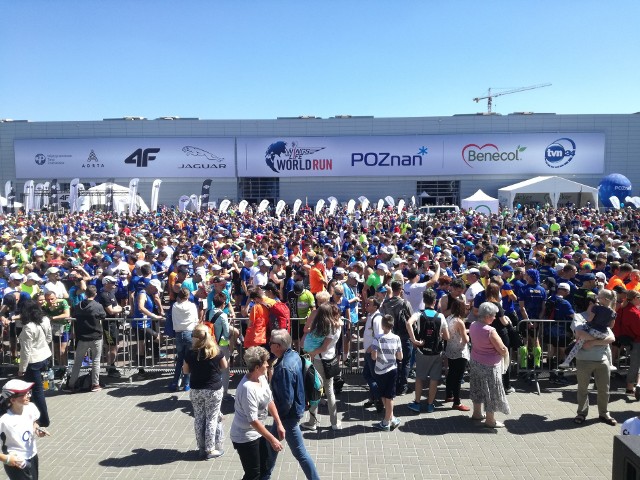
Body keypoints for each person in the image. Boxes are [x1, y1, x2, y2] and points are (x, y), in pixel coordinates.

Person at [266, 329, 320, 480]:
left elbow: (286, 399)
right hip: (294, 410)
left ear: (278, 346)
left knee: (300, 453)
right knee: (270, 444)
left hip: (287, 416)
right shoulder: (294, 355)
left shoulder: (283, 367)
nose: (269, 345)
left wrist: (278, 420)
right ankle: (264, 475)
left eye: (271, 343)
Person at [230, 346, 284, 480]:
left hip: (258, 432)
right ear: (257, 367)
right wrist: (272, 439)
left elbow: (269, 400)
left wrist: (278, 423)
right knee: (253, 474)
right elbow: (253, 420)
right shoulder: (247, 388)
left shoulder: (262, 377)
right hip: (245, 436)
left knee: (264, 468)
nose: (267, 364)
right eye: (265, 362)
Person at [183, 324, 228, 460]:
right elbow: (224, 366)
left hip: (196, 388)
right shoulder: (216, 351)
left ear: (196, 338)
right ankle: (210, 449)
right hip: (213, 389)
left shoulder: (190, 353)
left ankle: (201, 447)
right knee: (212, 418)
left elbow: (185, 371)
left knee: (199, 417)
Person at [406, 288, 449, 413]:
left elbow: (409, 323)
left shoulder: (418, 314)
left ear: (424, 301)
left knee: (419, 378)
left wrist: (414, 340)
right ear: (435, 301)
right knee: (434, 379)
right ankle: (430, 404)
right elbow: (447, 337)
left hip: (422, 351)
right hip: (436, 352)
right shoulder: (440, 316)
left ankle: (417, 403)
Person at [571, 309, 617, 426]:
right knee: (583, 389)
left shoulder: (603, 324)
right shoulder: (579, 318)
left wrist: (592, 342)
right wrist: (601, 338)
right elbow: (580, 334)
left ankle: (604, 413)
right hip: (584, 361)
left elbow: (611, 339)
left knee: (604, 389)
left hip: (603, 361)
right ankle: (581, 413)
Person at [300, 303, 342, 431]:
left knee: (316, 390)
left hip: (320, 360)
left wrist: (311, 353)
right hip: (330, 359)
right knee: (329, 391)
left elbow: (322, 347)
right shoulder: (337, 325)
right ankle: (334, 422)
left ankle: (312, 422)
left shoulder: (325, 327)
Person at [468, 302, 510, 429]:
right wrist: (505, 352)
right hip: (490, 365)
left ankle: (477, 413)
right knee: (491, 392)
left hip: (476, 361)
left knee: (477, 387)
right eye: (493, 315)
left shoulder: (473, 325)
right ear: (487, 316)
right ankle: (490, 420)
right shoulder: (490, 331)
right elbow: (502, 349)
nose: (495, 318)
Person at [0, 379, 49, 480]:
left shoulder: (30, 408)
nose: (29, 395)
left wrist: (37, 429)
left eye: (28, 392)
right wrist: (7, 459)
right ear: (12, 400)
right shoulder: (4, 419)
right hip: (15, 460)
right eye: (24, 394)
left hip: (32, 454)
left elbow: (33, 423)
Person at [560, 289, 616, 369]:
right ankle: (610, 364)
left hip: (593, 332)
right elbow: (611, 326)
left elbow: (589, 320)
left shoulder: (596, 308)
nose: (598, 299)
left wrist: (592, 339)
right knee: (607, 346)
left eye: (599, 298)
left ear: (604, 299)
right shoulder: (613, 312)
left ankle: (567, 362)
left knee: (577, 345)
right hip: (603, 333)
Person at [17, 300, 52, 428]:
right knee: (37, 391)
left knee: (36, 392)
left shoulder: (28, 327)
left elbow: (26, 351)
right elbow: (49, 337)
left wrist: (22, 369)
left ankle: (43, 419)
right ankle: (32, 415)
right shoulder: (45, 320)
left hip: (33, 361)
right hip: (44, 356)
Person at [66, 285, 105, 393]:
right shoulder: (98, 306)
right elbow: (103, 316)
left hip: (82, 337)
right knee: (96, 361)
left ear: (85, 294)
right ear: (95, 294)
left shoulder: (78, 305)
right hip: (95, 336)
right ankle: (95, 384)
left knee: (77, 362)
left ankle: (71, 385)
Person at [371, 314, 403, 431]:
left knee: (386, 396)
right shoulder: (397, 338)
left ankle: (386, 422)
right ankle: (392, 417)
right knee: (388, 396)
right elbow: (400, 357)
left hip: (380, 370)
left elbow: (374, 357)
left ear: (382, 325)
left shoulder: (377, 338)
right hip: (392, 369)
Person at [169, 287, 199, 392]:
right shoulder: (192, 306)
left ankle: (175, 382)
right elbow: (196, 320)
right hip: (189, 332)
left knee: (179, 360)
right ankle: (186, 383)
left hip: (178, 334)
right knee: (188, 360)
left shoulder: (175, 306)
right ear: (187, 296)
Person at [444, 297, 470, 411]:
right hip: (459, 351)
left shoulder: (449, 318)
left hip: (450, 349)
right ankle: (457, 402)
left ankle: (449, 395)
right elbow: (465, 339)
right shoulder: (459, 321)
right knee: (458, 378)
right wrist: (468, 334)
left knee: (451, 374)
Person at [362, 297, 383, 412]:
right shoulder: (371, 316)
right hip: (368, 352)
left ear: (375, 307)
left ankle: (378, 398)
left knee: (371, 376)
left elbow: (379, 336)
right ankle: (373, 398)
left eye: (369, 304)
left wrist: (371, 349)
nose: (366, 305)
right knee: (368, 374)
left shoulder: (377, 319)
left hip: (372, 353)